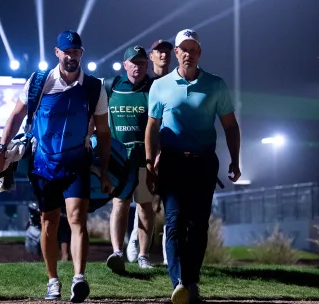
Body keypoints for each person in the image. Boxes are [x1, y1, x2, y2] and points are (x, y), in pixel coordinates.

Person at [0, 29, 112, 302]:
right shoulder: (38, 82)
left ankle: (79, 277)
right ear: (57, 52)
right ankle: (53, 280)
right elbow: (16, 115)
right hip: (43, 162)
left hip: (77, 160)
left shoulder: (94, 87)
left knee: (77, 219)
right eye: (66, 52)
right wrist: (2, 148)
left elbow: (103, 132)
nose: (72, 57)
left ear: (82, 53)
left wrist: (104, 169)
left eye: (76, 52)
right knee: (49, 221)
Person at [145, 29, 241, 304]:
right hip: (172, 163)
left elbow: (230, 125)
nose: (188, 53)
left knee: (198, 226)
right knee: (174, 222)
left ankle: (191, 282)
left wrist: (235, 160)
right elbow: (152, 127)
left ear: (200, 52)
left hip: (203, 164)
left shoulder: (215, 85)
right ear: (176, 53)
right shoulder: (160, 86)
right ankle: (179, 283)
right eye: (183, 49)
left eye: (193, 49)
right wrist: (150, 163)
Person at [101, 45, 156, 272]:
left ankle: (143, 256)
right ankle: (117, 252)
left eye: (142, 62)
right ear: (125, 65)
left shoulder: (153, 88)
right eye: (133, 62)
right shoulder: (111, 87)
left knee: (145, 206)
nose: (138, 67)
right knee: (119, 204)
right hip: (119, 160)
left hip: (144, 160)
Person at [126, 39, 173, 265]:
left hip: (171, 150)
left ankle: (168, 257)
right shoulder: (146, 85)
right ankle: (136, 239)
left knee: (169, 203)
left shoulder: (175, 81)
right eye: (158, 52)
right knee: (148, 201)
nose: (163, 55)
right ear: (151, 56)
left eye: (167, 52)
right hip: (149, 152)